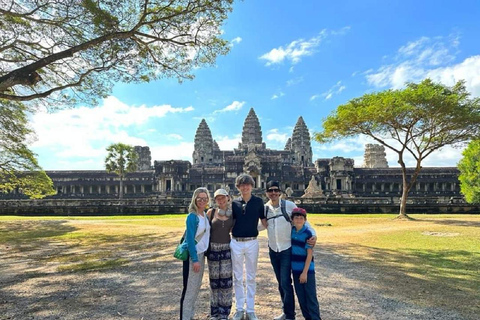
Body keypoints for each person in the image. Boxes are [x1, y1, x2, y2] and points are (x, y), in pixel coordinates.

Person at [264, 181, 316, 320]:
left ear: (280, 192)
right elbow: (260, 226)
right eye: (270, 190)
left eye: (276, 190)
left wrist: (314, 234)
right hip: (273, 249)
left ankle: (290, 315)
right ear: (266, 193)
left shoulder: (289, 205)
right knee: (281, 282)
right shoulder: (265, 208)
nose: (273, 193)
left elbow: (304, 221)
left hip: (287, 249)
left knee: (286, 282)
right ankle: (286, 311)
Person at [230, 174, 265, 320]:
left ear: (252, 185)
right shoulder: (233, 203)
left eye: (247, 184)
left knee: (251, 276)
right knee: (237, 277)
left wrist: (254, 230)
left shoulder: (258, 202)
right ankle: (239, 308)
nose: (245, 187)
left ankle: (250, 309)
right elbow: (228, 221)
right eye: (242, 185)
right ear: (238, 187)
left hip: (252, 242)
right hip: (236, 242)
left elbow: (265, 221)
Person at [180, 187, 211, 320]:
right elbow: (190, 240)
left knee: (195, 288)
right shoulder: (192, 216)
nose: (202, 201)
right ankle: (185, 317)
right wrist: (195, 259)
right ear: (195, 199)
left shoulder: (204, 215)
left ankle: (189, 316)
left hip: (201, 255)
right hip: (193, 257)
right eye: (199, 198)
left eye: (204, 198)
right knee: (189, 291)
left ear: (207, 200)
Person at [206, 188, 234, 320]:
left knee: (226, 282)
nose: (221, 200)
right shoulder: (211, 213)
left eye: (223, 198)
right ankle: (214, 312)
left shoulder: (233, 214)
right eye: (218, 198)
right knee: (214, 282)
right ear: (215, 200)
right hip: (213, 249)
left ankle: (224, 312)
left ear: (228, 198)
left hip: (227, 249)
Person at [291, 207, 322, 320]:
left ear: (305, 220)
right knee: (301, 297)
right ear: (292, 220)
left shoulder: (308, 234)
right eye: (296, 217)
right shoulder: (291, 232)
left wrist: (304, 273)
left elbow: (309, 255)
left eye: (301, 218)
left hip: (307, 271)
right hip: (295, 270)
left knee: (311, 297)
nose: (298, 220)